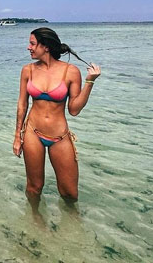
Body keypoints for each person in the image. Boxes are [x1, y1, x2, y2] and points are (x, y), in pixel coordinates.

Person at [13, 27, 101, 204]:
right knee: (34, 187)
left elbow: (74, 110)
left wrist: (90, 82)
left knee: (70, 193)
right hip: (32, 132)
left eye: (32, 44)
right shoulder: (27, 70)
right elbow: (22, 104)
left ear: (45, 46)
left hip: (60, 136)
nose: (28, 48)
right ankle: (35, 219)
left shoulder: (70, 71)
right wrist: (17, 136)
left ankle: (71, 226)